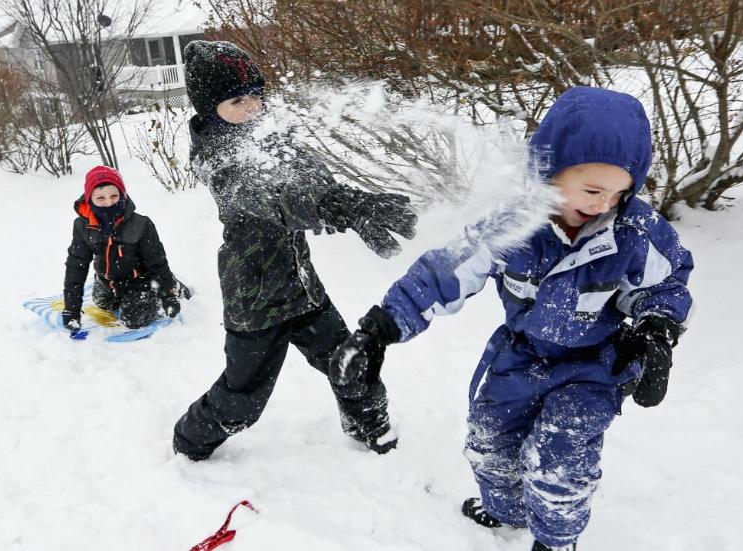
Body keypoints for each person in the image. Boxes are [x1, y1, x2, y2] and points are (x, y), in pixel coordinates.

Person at [329, 87, 694, 550]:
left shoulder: (635, 233)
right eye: (592, 190)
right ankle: (508, 511)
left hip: (594, 365)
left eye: (620, 192)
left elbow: (666, 285)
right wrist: (380, 328)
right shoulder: (514, 223)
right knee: (488, 441)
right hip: (520, 356)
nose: (605, 204)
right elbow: (446, 273)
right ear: (550, 173)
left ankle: (556, 540)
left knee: (561, 457)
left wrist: (656, 332)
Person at [171, 40, 418, 461]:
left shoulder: (272, 138)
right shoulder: (218, 160)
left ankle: (369, 426)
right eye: (236, 100)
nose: (251, 107)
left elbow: (314, 186)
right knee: (243, 398)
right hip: (255, 300)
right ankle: (189, 442)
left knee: (350, 362)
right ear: (210, 108)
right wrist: (337, 208)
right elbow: (277, 199)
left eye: (255, 96)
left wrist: (355, 205)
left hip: (303, 288)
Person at [63, 165, 187, 332]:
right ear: (89, 199)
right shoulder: (82, 226)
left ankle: (170, 287)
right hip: (107, 280)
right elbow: (76, 266)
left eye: (114, 196)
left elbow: (156, 261)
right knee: (103, 304)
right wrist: (71, 309)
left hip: (139, 281)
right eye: (100, 198)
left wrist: (168, 295)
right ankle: (115, 293)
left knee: (134, 320)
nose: (108, 203)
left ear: (122, 194)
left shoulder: (141, 224)